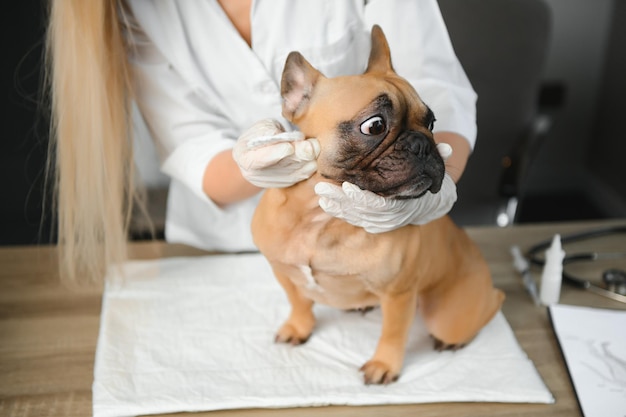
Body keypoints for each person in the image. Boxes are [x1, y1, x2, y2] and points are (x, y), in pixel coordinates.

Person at [45, 0, 476, 283]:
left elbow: (437, 90)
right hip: (229, 251)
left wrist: (434, 188)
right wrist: (261, 160)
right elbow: (191, 147)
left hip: (378, 246)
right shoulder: (133, 7)